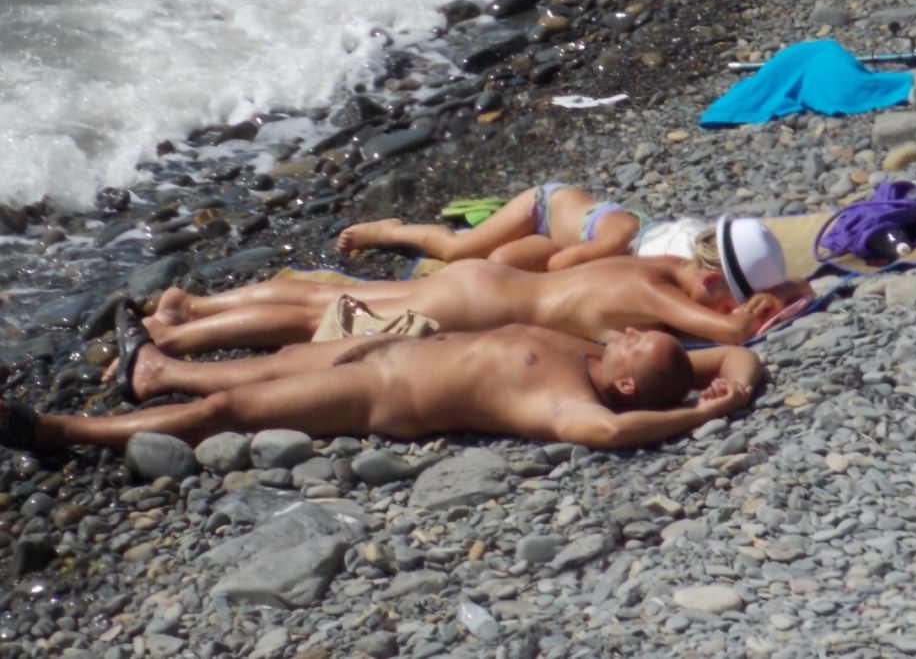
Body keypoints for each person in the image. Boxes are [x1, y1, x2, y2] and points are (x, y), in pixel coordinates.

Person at [1, 325, 762, 453]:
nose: (628, 331)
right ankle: (153, 373)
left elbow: (610, 434)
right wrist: (733, 394)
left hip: (378, 402)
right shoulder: (607, 361)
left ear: (627, 378)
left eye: (638, 343)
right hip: (387, 356)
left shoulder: (573, 400)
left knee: (225, 413)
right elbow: (729, 353)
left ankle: (59, 432)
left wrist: (691, 425)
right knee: (281, 358)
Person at [139, 250, 811, 359]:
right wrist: (760, 313)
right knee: (320, 318)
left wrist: (784, 283)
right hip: (477, 306)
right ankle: (178, 341)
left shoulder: (653, 264)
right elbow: (725, 336)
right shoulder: (654, 292)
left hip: (487, 279)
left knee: (330, 294)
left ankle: (192, 303)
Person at [335, 182, 781, 279]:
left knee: (499, 266)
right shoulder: (617, 242)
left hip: (566, 236)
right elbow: (563, 263)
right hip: (544, 208)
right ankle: (390, 231)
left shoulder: (686, 238)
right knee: (458, 250)